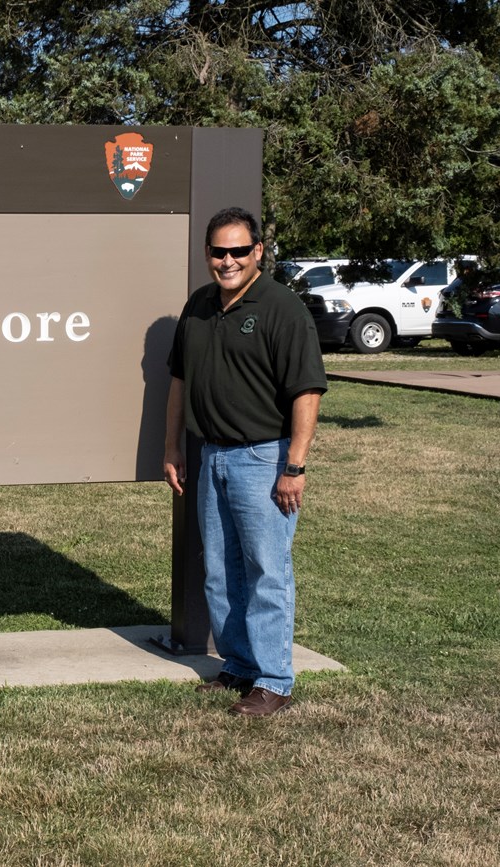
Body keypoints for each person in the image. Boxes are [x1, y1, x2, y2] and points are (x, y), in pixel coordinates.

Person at [163, 207, 326, 717]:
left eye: (238, 250)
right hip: (210, 454)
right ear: (207, 254)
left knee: (265, 571)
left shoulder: (282, 308)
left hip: (264, 456)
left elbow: (307, 392)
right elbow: (179, 382)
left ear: (258, 252)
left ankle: (274, 681)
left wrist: (294, 466)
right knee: (219, 570)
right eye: (218, 251)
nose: (227, 260)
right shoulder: (200, 305)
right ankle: (237, 665)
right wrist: (172, 447)